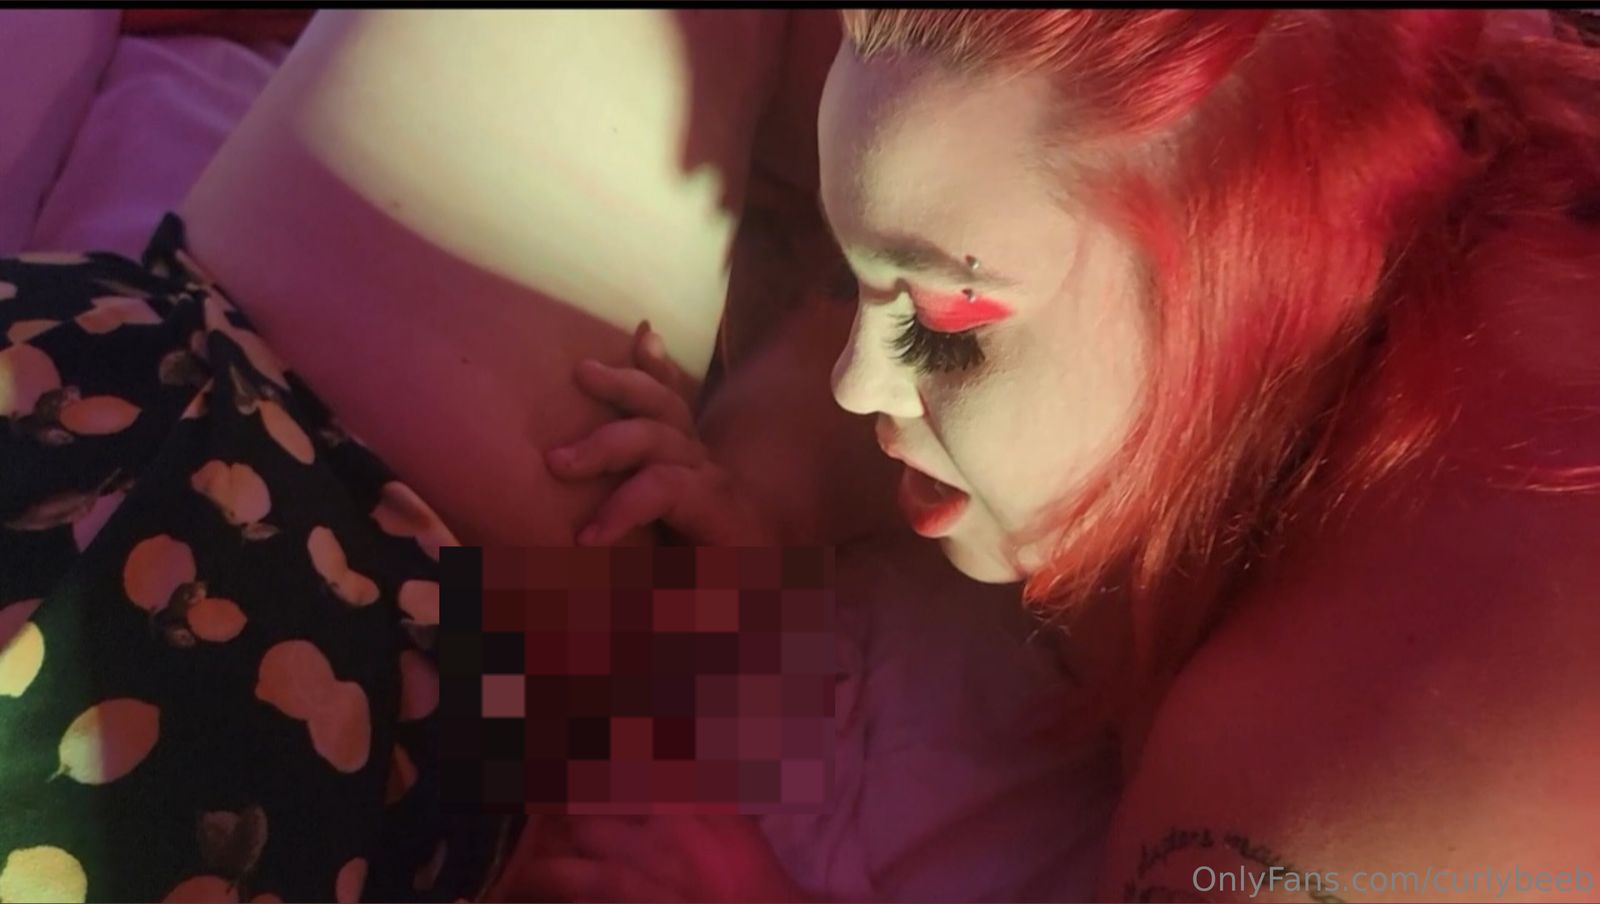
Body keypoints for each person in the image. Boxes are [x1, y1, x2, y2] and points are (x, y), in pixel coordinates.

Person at [497, 9, 1600, 903]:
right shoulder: (1393, 137)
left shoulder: (1325, 797)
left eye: (944, 327)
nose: (851, 384)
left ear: (1235, 278)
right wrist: (766, 492)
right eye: (852, 277)